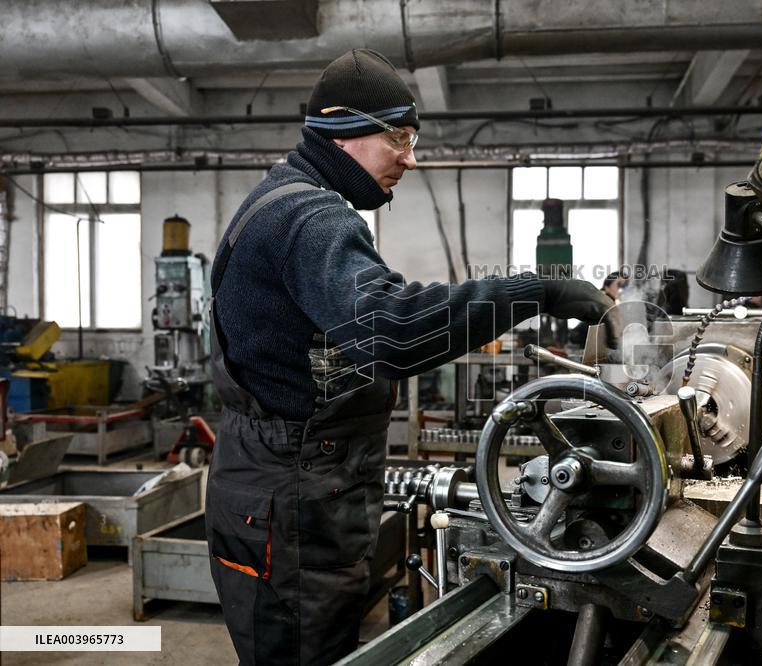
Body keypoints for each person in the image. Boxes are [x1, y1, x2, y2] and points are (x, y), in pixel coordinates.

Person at [206, 49, 613, 666]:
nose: (410, 156)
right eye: (398, 136)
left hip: (294, 483)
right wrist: (536, 291)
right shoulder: (308, 218)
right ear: (345, 133)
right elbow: (393, 331)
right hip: (289, 499)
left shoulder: (289, 200)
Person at [568, 271, 626, 346]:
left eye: (625, 286)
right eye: (619, 285)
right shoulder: (602, 305)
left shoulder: (615, 306)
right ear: (607, 287)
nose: (622, 290)